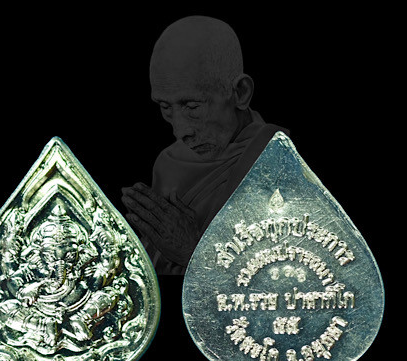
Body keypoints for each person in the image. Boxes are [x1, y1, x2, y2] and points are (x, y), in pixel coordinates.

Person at [121, 16, 288, 275]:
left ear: (240, 93)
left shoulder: (280, 161)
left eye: (192, 107)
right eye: (165, 107)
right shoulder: (169, 164)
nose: (180, 132)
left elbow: (291, 281)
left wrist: (193, 252)